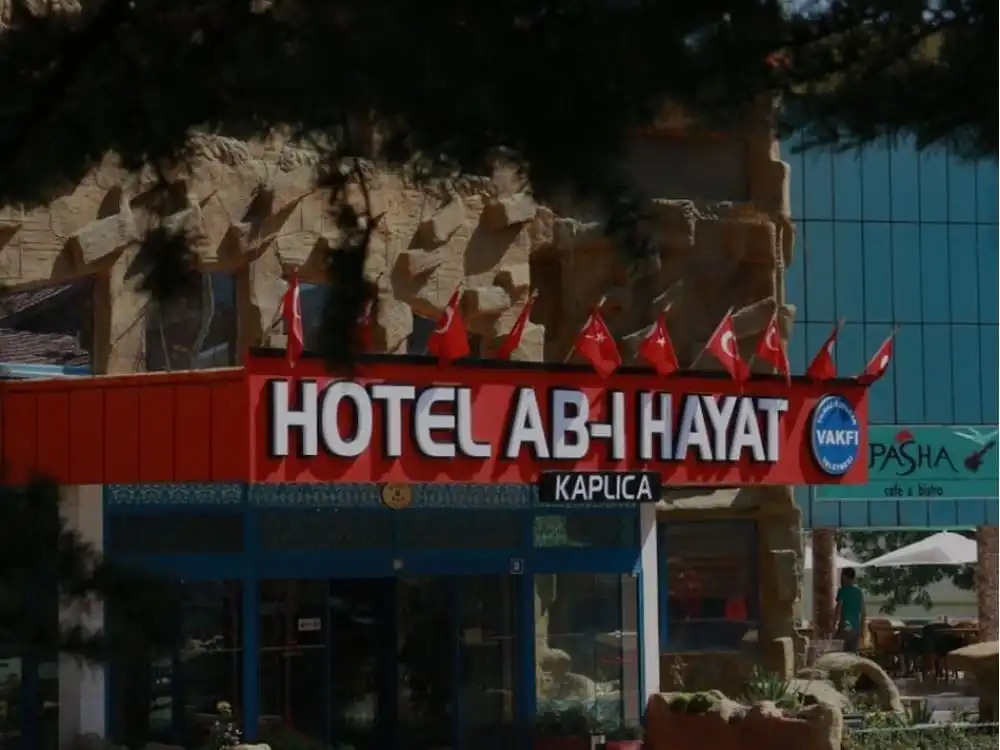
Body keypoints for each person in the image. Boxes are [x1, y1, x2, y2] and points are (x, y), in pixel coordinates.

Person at [833, 567, 867, 652]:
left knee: (836, 649)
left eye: (842, 577)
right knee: (852, 653)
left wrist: (833, 625)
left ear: (845, 577)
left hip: (846, 625)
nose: (841, 580)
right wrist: (862, 629)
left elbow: (838, 610)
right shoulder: (859, 592)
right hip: (856, 627)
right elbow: (863, 612)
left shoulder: (842, 591)